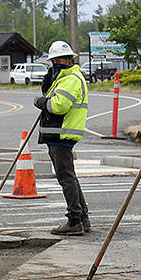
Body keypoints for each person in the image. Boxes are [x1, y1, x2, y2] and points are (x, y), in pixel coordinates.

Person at [33, 40, 90, 235]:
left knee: (65, 177)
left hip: (62, 134)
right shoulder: (64, 77)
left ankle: (75, 220)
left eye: (56, 60)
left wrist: (42, 102)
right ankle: (82, 217)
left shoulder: (71, 79)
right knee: (69, 176)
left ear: (64, 60)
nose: (54, 64)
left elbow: (58, 106)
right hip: (59, 134)